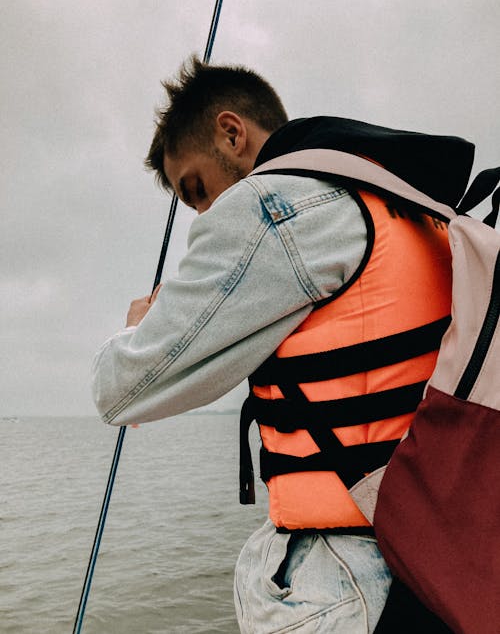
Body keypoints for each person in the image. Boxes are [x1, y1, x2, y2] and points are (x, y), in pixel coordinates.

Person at [92, 56, 473, 632]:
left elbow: (120, 390)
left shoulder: (275, 207)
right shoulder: (403, 204)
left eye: (195, 188)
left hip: (344, 580)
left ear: (231, 132)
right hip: (433, 561)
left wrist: (137, 330)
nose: (202, 212)